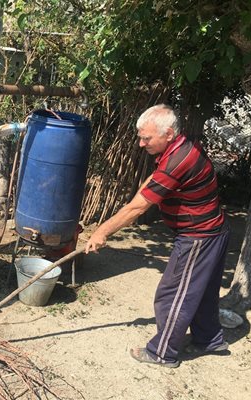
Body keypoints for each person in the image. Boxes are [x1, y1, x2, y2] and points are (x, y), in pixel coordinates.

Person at [85, 104, 229, 368]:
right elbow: (153, 181)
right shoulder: (180, 148)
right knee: (203, 292)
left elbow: (139, 207)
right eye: (141, 137)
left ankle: (162, 352)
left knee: (173, 294)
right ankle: (210, 339)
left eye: (146, 138)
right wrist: (140, 195)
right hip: (212, 231)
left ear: (169, 134)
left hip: (198, 236)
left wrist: (101, 232)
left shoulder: (179, 159)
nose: (141, 144)